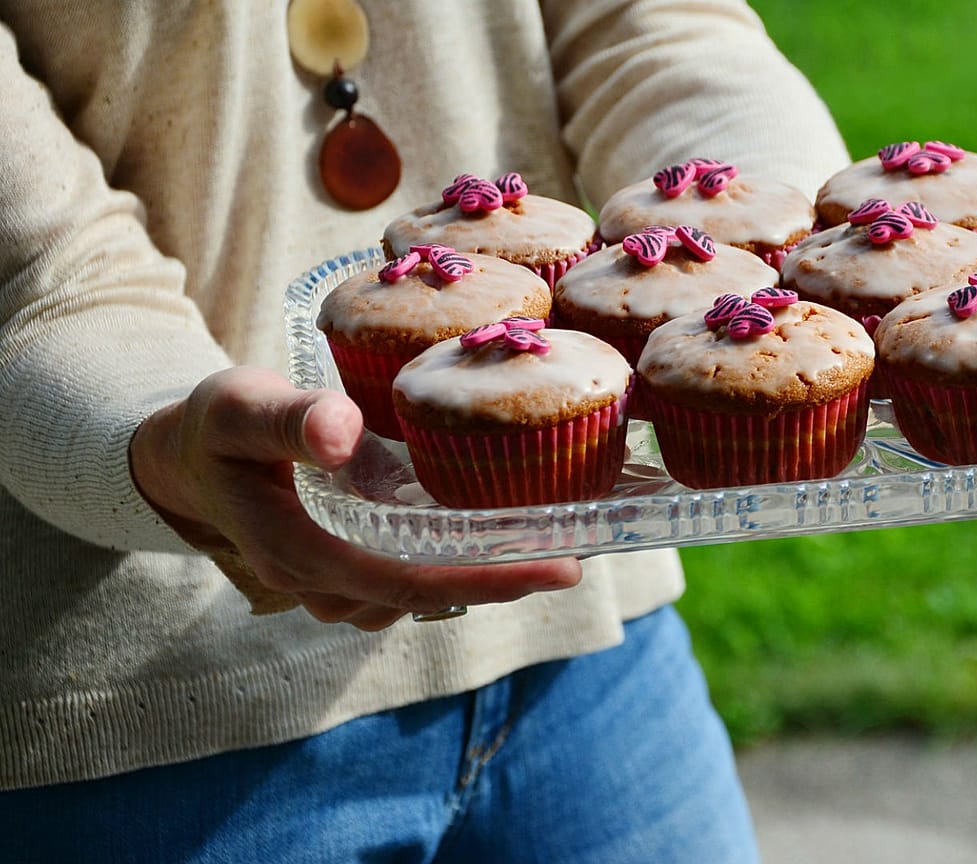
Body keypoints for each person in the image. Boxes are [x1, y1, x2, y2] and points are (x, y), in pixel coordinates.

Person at [0, 1, 849, 860]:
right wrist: (166, 447)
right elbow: (33, 272)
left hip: (588, 648)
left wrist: (780, 263)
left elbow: (654, 27)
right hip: (150, 734)